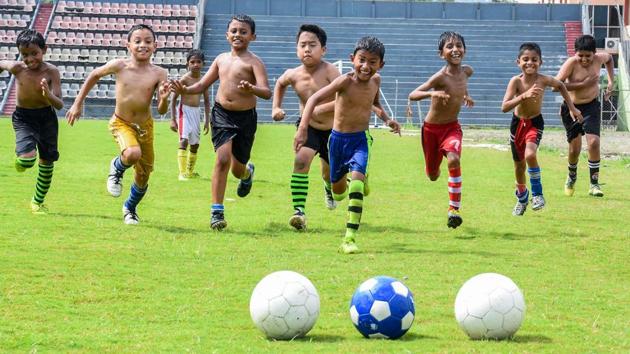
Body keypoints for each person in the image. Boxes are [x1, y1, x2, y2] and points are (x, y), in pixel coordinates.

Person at [295, 36, 401, 254]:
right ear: (352, 59)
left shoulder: (376, 81)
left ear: (381, 64)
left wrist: (387, 119)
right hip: (337, 141)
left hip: (360, 140)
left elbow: (375, 104)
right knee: (339, 193)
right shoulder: (344, 81)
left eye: (373, 62)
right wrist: (303, 128)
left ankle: (349, 238)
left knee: (356, 185)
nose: (366, 66)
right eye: (362, 60)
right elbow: (314, 99)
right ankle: (334, 185)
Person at [171, 14, 271, 230]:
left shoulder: (254, 62)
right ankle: (217, 211)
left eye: (243, 31)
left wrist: (251, 88)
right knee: (222, 159)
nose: (238, 35)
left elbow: (266, 92)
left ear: (253, 36)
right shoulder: (221, 59)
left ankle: (247, 173)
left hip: (245, 118)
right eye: (234, 31)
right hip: (222, 114)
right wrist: (184, 90)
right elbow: (201, 85)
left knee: (237, 169)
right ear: (227, 35)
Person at [66, 24, 170, 225]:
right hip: (121, 123)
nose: (143, 45)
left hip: (145, 127)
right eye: (137, 41)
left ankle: (129, 208)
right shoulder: (119, 65)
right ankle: (117, 166)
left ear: (155, 46)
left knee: (144, 175)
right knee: (132, 154)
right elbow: (94, 75)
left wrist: (165, 99)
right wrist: (77, 104)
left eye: (148, 41)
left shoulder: (159, 73)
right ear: (128, 45)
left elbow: (163, 110)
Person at [272, 24, 341, 231]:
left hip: (333, 130)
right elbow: (280, 83)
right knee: (301, 161)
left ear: (324, 49)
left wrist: (320, 109)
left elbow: (344, 98)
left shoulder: (331, 71)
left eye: (313, 45)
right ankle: (299, 212)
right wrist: (276, 107)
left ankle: (329, 188)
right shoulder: (293, 74)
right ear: (296, 49)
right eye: (303, 45)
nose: (307, 49)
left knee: (330, 175)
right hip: (307, 127)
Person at [501, 42, 582, 216]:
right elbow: (504, 107)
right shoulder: (515, 81)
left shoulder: (543, 79)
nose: (530, 63)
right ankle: (522, 198)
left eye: (534, 59)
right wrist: (524, 96)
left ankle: (538, 195)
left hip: (535, 123)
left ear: (541, 62)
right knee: (519, 167)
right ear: (518, 62)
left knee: (530, 155)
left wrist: (572, 107)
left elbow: (560, 85)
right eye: (525, 59)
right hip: (517, 125)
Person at [408, 31, 473, 229]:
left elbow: (462, 85)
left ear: (465, 50)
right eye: (449, 47)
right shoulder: (440, 77)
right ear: (441, 54)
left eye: (459, 46)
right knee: (433, 175)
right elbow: (413, 94)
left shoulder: (467, 71)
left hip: (451, 128)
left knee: (454, 159)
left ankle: (454, 210)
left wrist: (466, 96)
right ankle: (432, 168)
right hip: (431, 131)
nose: (455, 50)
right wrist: (433, 93)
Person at [0, 29, 63, 214]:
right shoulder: (17, 68)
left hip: (47, 118)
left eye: (34, 53)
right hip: (24, 118)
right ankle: (22, 159)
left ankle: (37, 202)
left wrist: (48, 94)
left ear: (44, 50)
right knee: (27, 161)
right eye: (25, 55)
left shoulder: (52, 72)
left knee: (47, 161)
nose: (29, 59)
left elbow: (59, 105)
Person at [555, 34, 614, 197]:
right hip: (571, 108)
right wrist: (582, 84)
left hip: (591, 106)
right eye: (580, 55)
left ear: (594, 53)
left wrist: (611, 81)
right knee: (575, 148)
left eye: (588, 56)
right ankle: (571, 176)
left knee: (594, 143)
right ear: (576, 53)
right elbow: (556, 85)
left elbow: (609, 59)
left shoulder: (599, 58)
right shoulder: (571, 63)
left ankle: (594, 184)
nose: (584, 59)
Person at [170, 49, 210, 181]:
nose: (196, 64)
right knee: (184, 140)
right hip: (184, 111)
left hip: (196, 112)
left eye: (198, 62)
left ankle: (190, 172)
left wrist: (206, 120)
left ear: (203, 64)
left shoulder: (204, 80)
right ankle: (181, 173)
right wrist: (173, 119)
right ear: (188, 64)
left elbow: (207, 101)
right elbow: (174, 98)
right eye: (192, 62)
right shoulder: (185, 79)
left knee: (195, 144)